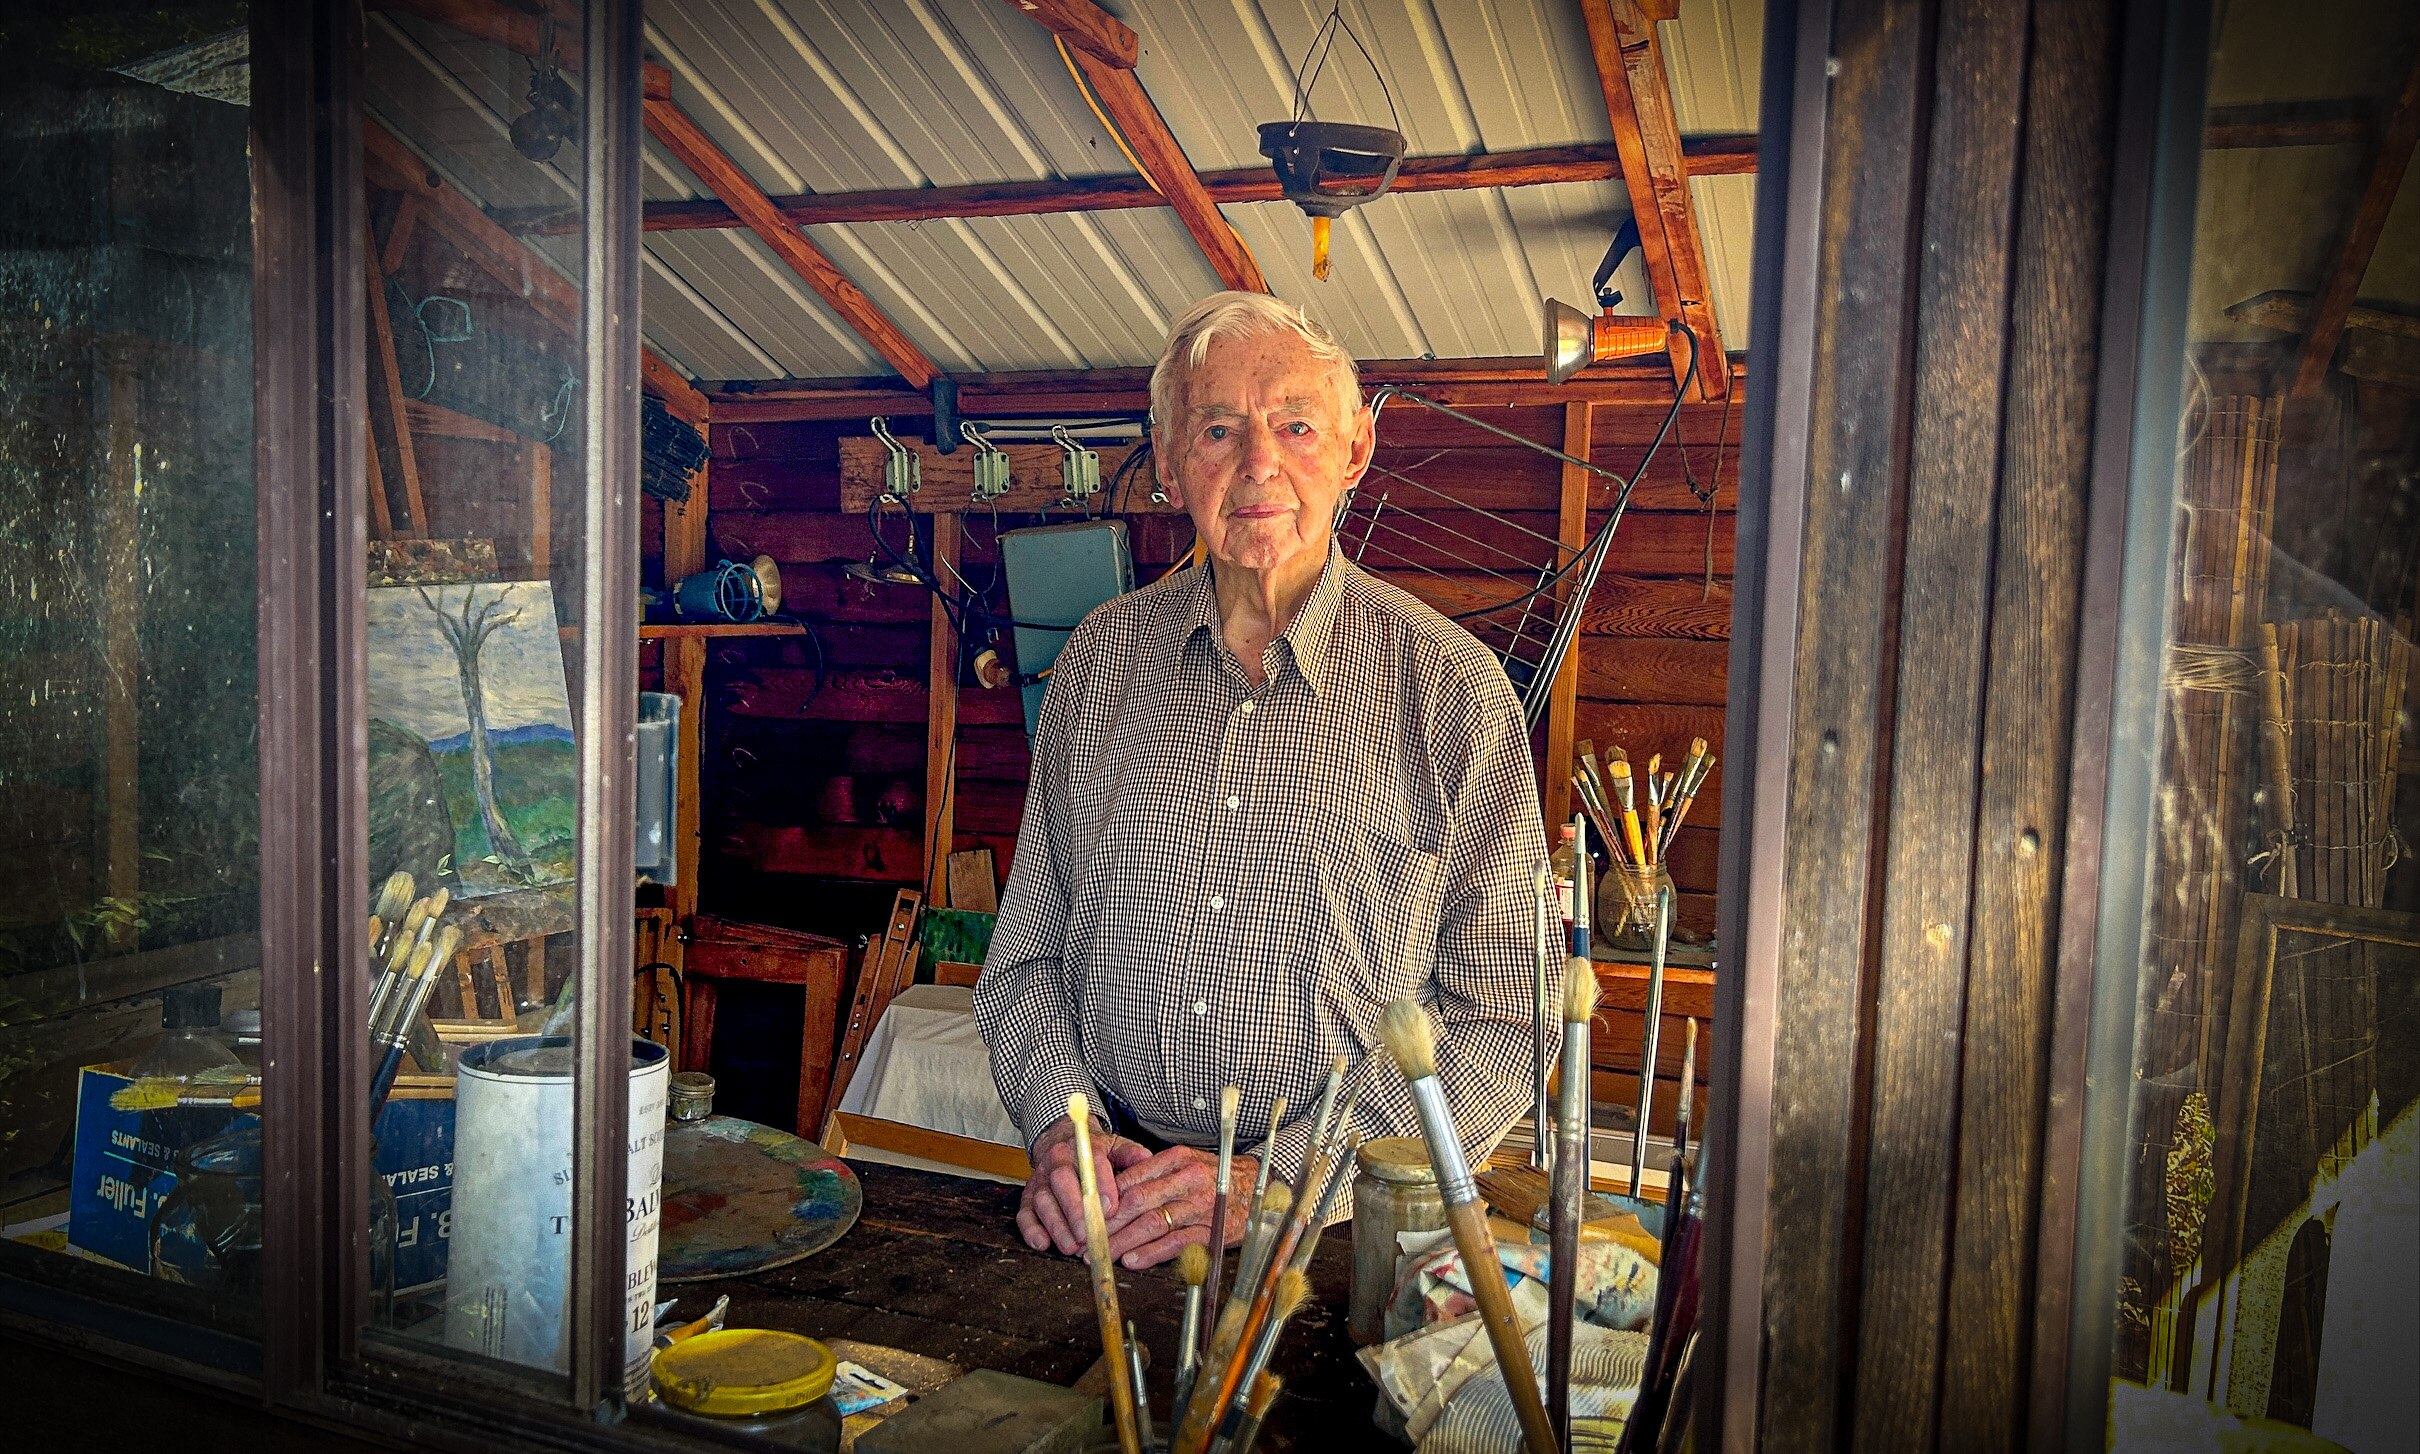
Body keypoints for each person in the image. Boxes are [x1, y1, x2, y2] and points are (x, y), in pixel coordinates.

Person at [971, 291, 1546, 1270]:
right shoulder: (1098, 663)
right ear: (1166, 457)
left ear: (1353, 451)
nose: (1256, 463)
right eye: (1217, 428)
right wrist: (1064, 1133)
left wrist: (1283, 1178)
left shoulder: (1450, 690)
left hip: (1336, 1221)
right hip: (1115, 1214)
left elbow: (1504, 1016)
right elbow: (1025, 959)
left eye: (1292, 425)